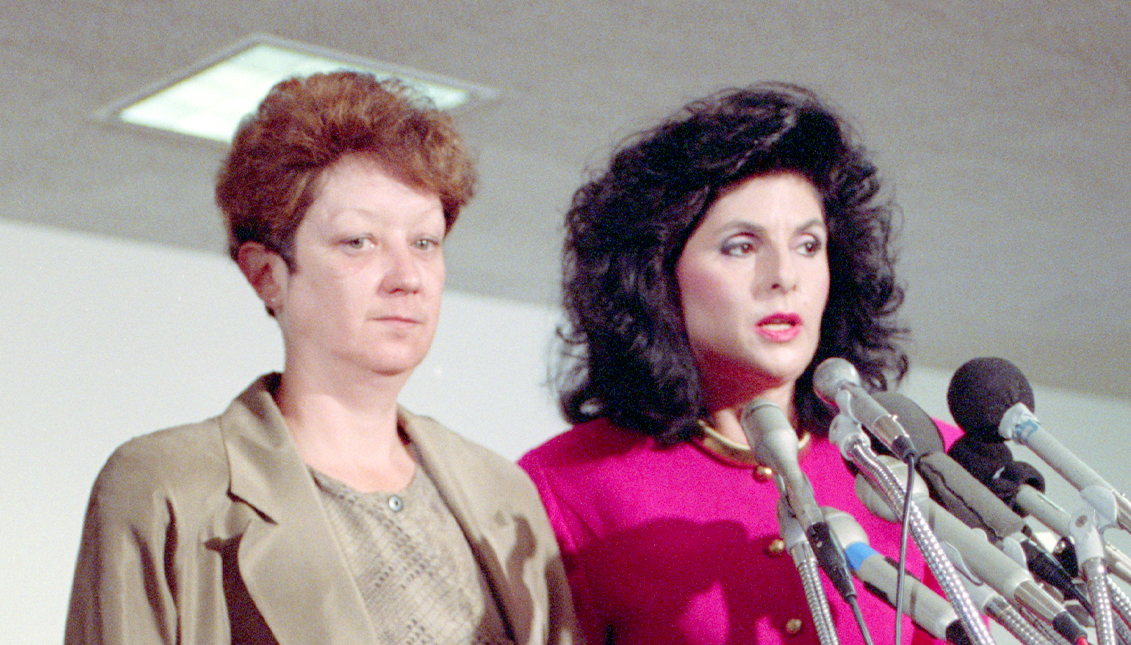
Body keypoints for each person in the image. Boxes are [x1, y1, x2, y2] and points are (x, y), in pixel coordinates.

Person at [65, 71, 577, 645]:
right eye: (358, 242)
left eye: (425, 243)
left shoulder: (502, 490)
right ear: (266, 275)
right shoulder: (166, 485)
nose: (407, 278)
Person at [518, 83, 952, 644]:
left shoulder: (918, 455)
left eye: (808, 245)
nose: (784, 276)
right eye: (742, 247)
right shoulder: (566, 484)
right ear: (657, 273)